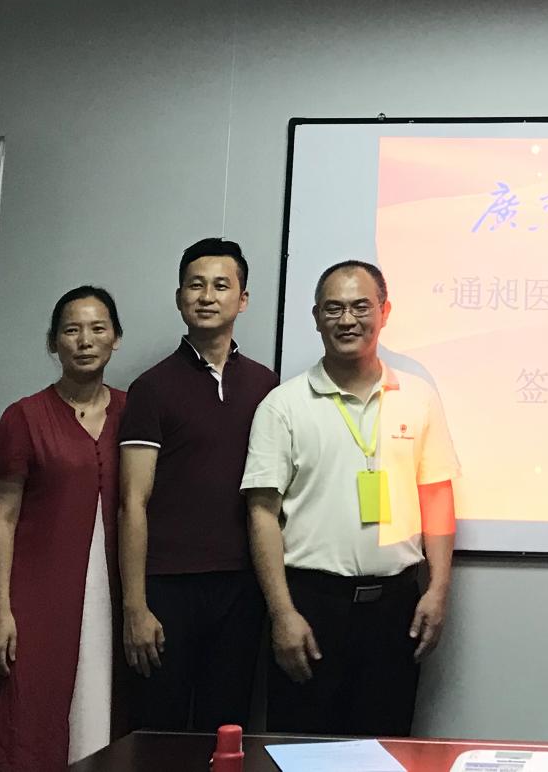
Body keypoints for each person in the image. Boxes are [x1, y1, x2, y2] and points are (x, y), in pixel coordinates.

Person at [243, 260, 460, 736]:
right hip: (310, 605)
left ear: (384, 312)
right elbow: (261, 514)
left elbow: (437, 495)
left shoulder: (418, 397)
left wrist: (438, 589)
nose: (347, 320)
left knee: (384, 747)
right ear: (316, 317)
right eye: (333, 308)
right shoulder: (283, 405)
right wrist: (282, 613)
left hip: (396, 608)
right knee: (303, 752)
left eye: (361, 307)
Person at [118, 238, 277, 731]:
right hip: (167, 587)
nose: (207, 296)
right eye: (195, 285)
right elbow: (132, 502)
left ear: (242, 300)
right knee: (158, 731)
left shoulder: (266, 386)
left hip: (241, 586)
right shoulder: (151, 388)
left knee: (226, 728)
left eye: (221, 286)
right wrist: (135, 605)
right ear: (179, 296)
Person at [0, 286, 128, 770]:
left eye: (98, 328)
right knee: (32, 713)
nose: (85, 340)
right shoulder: (24, 417)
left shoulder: (134, 411)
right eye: (71, 330)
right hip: (37, 597)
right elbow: (2, 517)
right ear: (52, 341)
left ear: (116, 338)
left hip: (113, 592)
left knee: (103, 709)